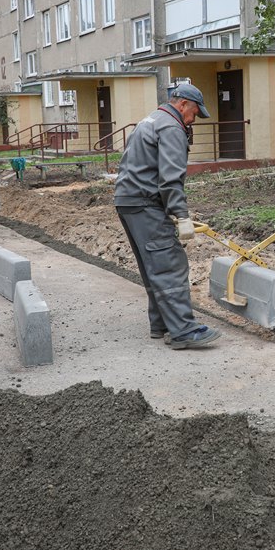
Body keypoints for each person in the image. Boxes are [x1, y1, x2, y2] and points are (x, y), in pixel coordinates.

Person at [113, 83, 222, 350]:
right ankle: (184, 330)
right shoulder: (172, 127)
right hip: (145, 203)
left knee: (154, 265)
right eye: (194, 113)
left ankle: (162, 324)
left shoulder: (150, 119)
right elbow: (170, 179)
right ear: (182, 104)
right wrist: (181, 215)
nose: (193, 120)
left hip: (128, 201)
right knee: (169, 264)